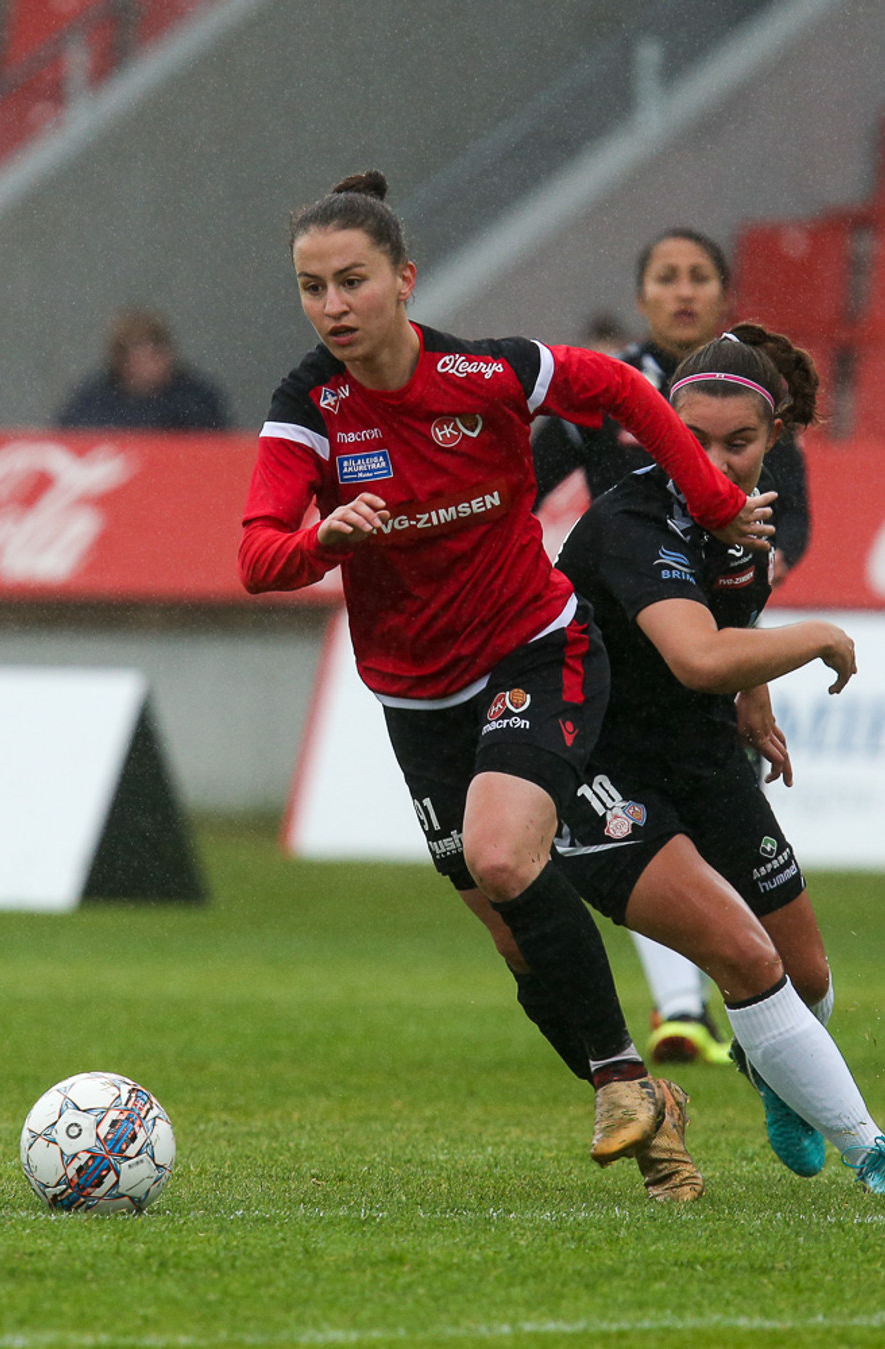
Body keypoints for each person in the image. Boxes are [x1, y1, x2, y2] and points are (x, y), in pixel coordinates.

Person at [237, 171, 773, 1200]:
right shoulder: (309, 406)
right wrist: (320, 541)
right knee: (514, 937)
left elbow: (620, 391)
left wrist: (711, 500)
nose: (333, 306)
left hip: (536, 649)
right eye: (312, 288)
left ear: (405, 279)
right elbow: (258, 554)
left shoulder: (486, 372)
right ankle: (650, 1110)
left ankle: (624, 1080)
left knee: (500, 853)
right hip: (415, 698)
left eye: (352, 281)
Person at [549, 323, 885, 1193]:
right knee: (746, 955)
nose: (716, 461)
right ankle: (871, 1150)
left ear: (775, 439)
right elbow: (697, 654)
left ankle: (771, 1070)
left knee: (806, 976)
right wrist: (817, 636)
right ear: (660, 432)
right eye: (692, 439)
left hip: (700, 754)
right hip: (599, 768)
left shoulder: (745, 518)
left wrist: (755, 690)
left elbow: (729, 620)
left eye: (739, 442)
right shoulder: (632, 520)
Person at [533, 228, 812, 1065]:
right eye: (666, 276)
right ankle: (683, 1007)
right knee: (645, 829)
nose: (683, 290)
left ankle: (766, 1023)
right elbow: (524, 483)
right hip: (625, 640)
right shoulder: (605, 390)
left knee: (718, 842)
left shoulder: (752, 396)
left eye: (698, 276)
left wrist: (750, 626)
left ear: (724, 293)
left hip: (706, 644)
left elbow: (788, 517)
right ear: (642, 295)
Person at [57, 307, 231, 431]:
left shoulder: (196, 399)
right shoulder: (93, 402)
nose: (153, 365)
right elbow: (72, 445)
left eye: (158, 353)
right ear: (121, 362)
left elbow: (216, 448)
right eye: (142, 357)